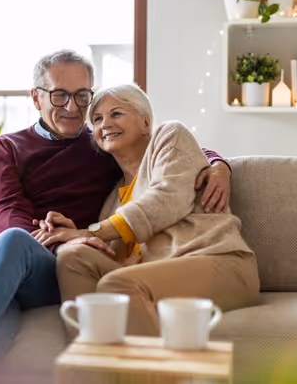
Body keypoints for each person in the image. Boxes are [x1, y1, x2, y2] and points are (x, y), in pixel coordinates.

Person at [0, 51, 232, 381]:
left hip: (61, 267)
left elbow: (164, 149)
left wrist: (218, 165)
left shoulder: (101, 141)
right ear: (36, 98)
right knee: (7, 268)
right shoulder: (6, 147)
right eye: (59, 94)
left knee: (22, 262)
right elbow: (8, 212)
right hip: (4, 257)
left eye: (82, 95)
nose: (72, 106)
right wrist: (60, 239)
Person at [34, 84, 260, 337]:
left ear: (145, 121)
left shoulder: (170, 137)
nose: (105, 124)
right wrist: (79, 237)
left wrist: (92, 232)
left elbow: (165, 200)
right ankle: (94, 362)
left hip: (219, 263)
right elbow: (118, 254)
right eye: (96, 119)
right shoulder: (112, 200)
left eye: (116, 114)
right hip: (156, 275)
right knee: (72, 257)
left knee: (119, 284)